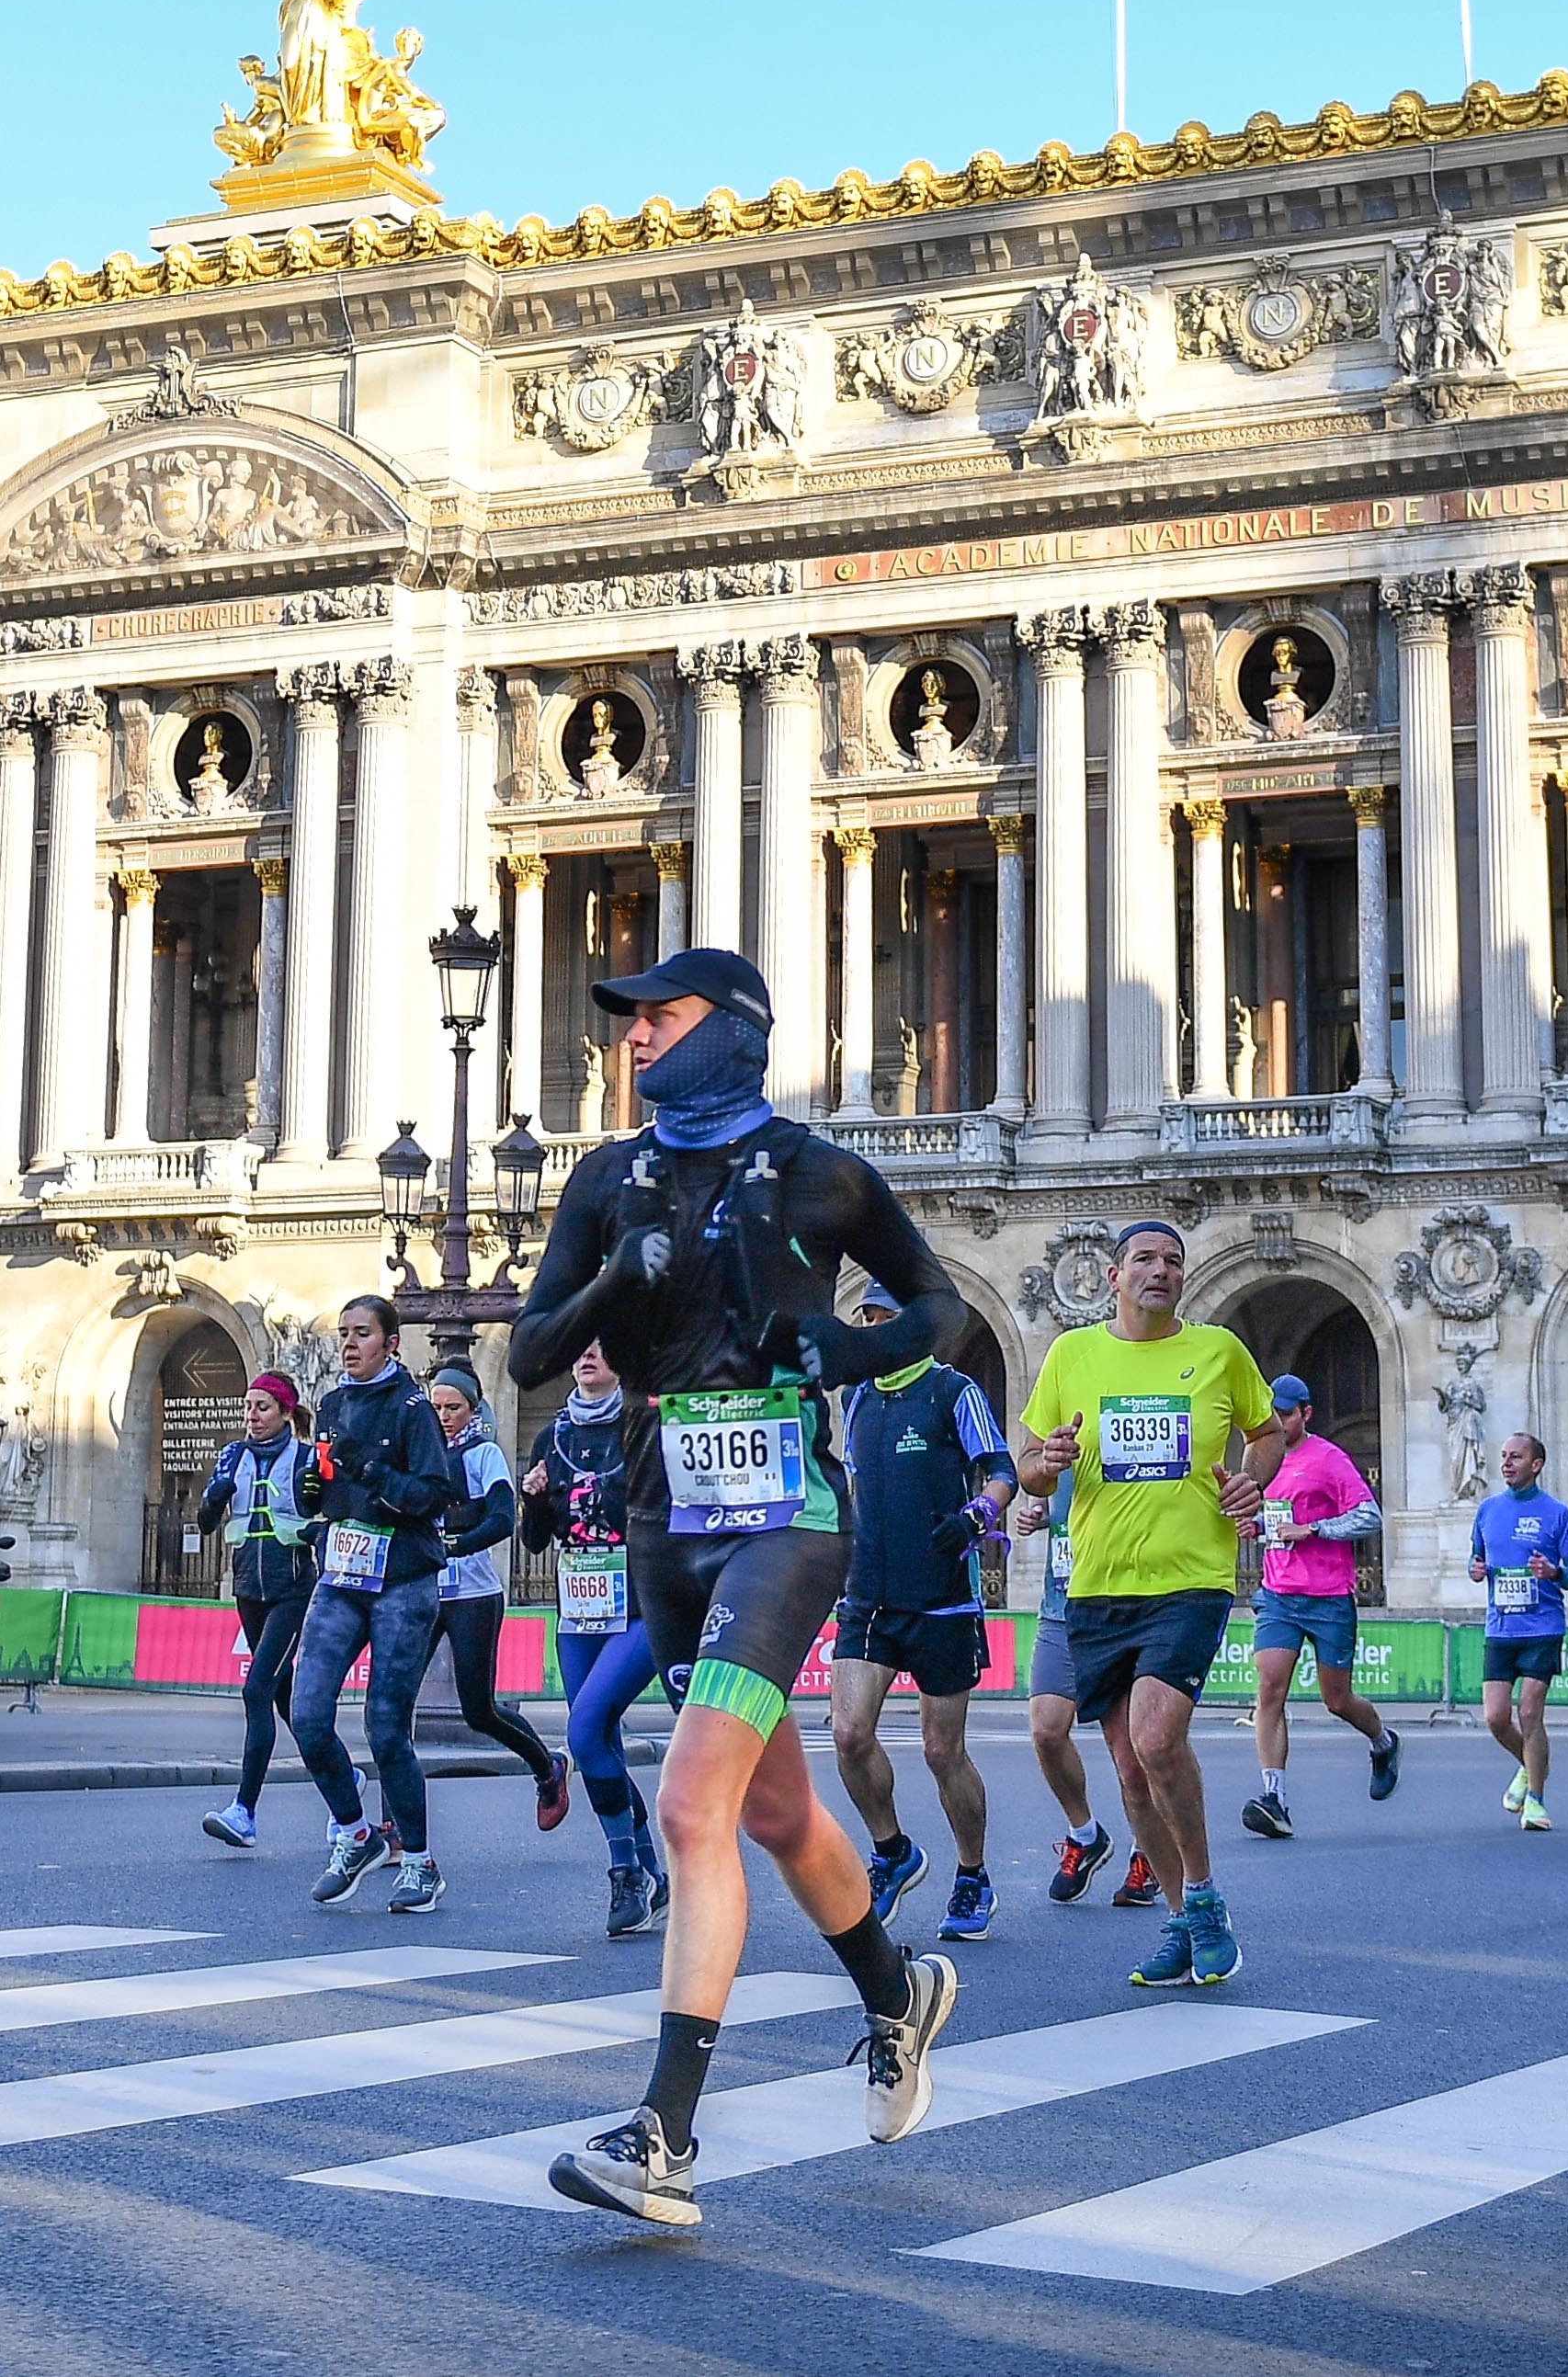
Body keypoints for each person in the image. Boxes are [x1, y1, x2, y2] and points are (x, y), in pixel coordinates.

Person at [512, 945, 965, 2230]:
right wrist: (617, 1274)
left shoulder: (823, 1173)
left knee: (690, 1806)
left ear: (738, 1029)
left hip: (786, 1512)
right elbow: (535, 1348)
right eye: (630, 1021)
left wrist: (853, 1345)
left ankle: (662, 2135)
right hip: (665, 1514)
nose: (636, 1038)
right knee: (772, 1813)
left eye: (662, 1014)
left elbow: (935, 1307)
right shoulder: (606, 1178)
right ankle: (894, 1993)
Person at [1017, 1218, 1285, 1994]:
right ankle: (1179, 1917)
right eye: (1144, 1259)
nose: (1159, 1271)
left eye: (1172, 1261)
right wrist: (1047, 1464)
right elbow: (1030, 1462)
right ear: (1114, 1277)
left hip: (1191, 1579)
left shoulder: (1218, 1352)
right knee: (1132, 1772)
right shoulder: (1073, 1354)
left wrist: (1251, 1478)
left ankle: (1202, 1899)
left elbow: (1264, 1434)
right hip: (1097, 1586)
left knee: (1157, 1737)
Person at [827, 1279, 1013, 1936]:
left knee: (942, 1752)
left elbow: (1001, 1470)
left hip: (941, 1601)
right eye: (866, 1318)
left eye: (882, 1316)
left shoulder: (952, 1391)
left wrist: (978, 1514)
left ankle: (972, 1876)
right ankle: (893, 1852)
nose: (871, 1327)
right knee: (848, 1735)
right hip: (868, 1597)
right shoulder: (854, 1399)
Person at [290, 1295, 464, 1911]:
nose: (348, 1344)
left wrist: (370, 1471)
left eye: (362, 1334)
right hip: (341, 1575)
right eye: (343, 1334)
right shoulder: (334, 1404)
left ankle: (419, 1863)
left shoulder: (413, 1408)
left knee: (386, 1727)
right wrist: (309, 1489)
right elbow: (322, 1488)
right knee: (306, 1714)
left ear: (392, 1342)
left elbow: (434, 1492)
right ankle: (357, 1833)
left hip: (402, 1580)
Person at [524, 1347, 670, 1936]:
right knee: (597, 1742)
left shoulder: (645, 1424)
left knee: (582, 1731)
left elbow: (663, 1512)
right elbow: (535, 1543)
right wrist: (535, 1500)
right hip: (579, 1611)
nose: (586, 1354)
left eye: (603, 1347)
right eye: (580, 1345)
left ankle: (624, 1874)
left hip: (639, 1608)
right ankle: (651, 1871)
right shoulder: (552, 1437)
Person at [1238, 1370, 1399, 1841]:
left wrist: (1316, 1529)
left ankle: (1383, 1742)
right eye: (1272, 1414)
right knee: (1269, 1691)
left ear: (1305, 1414)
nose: (1278, 1422)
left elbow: (1370, 1515)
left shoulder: (1328, 1458)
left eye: (1285, 1415)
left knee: (1337, 1700)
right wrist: (1256, 1527)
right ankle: (1275, 1798)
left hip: (1328, 1597)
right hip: (1278, 1594)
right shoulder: (1259, 1459)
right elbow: (1268, 1517)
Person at [423, 1362, 576, 1838]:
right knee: (391, 1706)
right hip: (422, 1590)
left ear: (472, 1409)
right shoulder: (418, 1451)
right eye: (437, 1407)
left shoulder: (483, 1453)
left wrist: (453, 1545)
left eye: (454, 1407)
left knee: (478, 1710)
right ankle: (395, 1822)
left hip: (472, 1593)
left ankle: (547, 1767)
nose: (445, 1416)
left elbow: (501, 1518)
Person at [1002, 1468, 1141, 1910]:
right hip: (1060, 1609)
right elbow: (1045, 1492)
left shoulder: (1122, 1442)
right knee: (1046, 1730)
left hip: (1116, 1610)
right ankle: (1086, 1834)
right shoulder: (1057, 1456)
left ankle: (1148, 1853)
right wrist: (1041, 1514)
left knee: (1129, 1750)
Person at [197, 1370, 320, 1854]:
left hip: (292, 1589)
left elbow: (324, 1518)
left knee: (257, 1689)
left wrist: (312, 1523)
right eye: (248, 1407)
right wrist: (216, 1495)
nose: (252, 1416)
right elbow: (207, 1523)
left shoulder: (308, 1459)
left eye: (263, 1407)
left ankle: (244, 1812)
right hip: (249, 1587)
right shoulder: (233, 1455)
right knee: (286, 1700)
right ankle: (343, 1786)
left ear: (286, 1413)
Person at [1471, 1431, 1568, 1829]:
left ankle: (1536, 1800)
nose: (1506, 1463)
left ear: (1536, 1465)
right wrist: (1476, 1570)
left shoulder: (1556, 1513)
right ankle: (1529, 1765)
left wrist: (1554, 1572)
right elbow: (1478, 1559)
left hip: (1542, 1626)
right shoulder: (1487, 1510)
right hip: (1501, 1627)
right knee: (1495, 1717)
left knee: (1530, 1712)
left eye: (1516, 1457)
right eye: (1503, 1456)